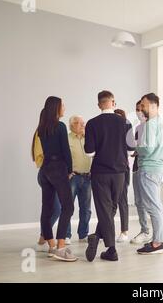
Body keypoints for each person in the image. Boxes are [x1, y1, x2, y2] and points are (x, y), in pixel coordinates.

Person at [84, 90, 131, 262]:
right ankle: (103, 243)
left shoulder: (92, 123)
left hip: (100, 173)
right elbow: (132, 149)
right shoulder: (125, 122)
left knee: (105, 209)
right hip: (119, 173)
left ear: (99, 105)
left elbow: (89, 153)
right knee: (111, 208)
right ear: (113, 102)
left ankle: (106, 245)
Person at [36, 96, 77, 262]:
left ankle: (51, 245)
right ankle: (60, 247)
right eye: (62, 105)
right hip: (58, 168)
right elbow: (65, 150)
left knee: (47, 209)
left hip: (45, 169)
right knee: (68, 207)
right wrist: (69, 170)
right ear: (56, 108)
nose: (64, 108)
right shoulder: (59, 126)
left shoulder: (41, 127)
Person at [134, 93, 163, 255]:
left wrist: (135, 148)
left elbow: (147, 149)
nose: (141, 109)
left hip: (148, 168)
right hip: (157, 168)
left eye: (144, 106)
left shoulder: (150, 124)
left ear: (154, 106)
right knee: (157, 205)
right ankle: (159, 239)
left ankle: (157, 243)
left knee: (153, 207)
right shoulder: (161, 123)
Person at [32, 121, 63, 252]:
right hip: (48, 174)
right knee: (54, 209)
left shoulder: (55, 131)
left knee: (53, 208)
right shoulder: (42, 133)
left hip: (52, 174)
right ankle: (47, 237)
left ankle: (43, 236)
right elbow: (39, 156)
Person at [130, 100, 151, 245]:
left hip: (148, 169)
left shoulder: (152, 127)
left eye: (141, 108)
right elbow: (136, 147)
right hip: (136, 167)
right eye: (136, 109)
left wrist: (139, 150)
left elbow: (150, 150)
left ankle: (152, 233)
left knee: (149, 202)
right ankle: (145, 230)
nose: (139, 112)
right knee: (138, 202)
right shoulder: (138, 128)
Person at [68, 115, 92, 243]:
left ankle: (83, 235)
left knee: (86, 209)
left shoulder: (88, 139)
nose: (82, 125)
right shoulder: (67, 138)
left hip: (87, 178)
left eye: (83, 123)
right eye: (79, 123)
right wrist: (67, 171)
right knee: (68, 208)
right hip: (73, 177)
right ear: (72, 125)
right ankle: (66, 235)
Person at [114, 109, 134, 243]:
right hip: (109, 170)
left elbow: (131, 148)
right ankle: (104, 231)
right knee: (109, 203)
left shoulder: (127, 128)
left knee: (122, 200)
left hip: (122, 169)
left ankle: (124, 231)